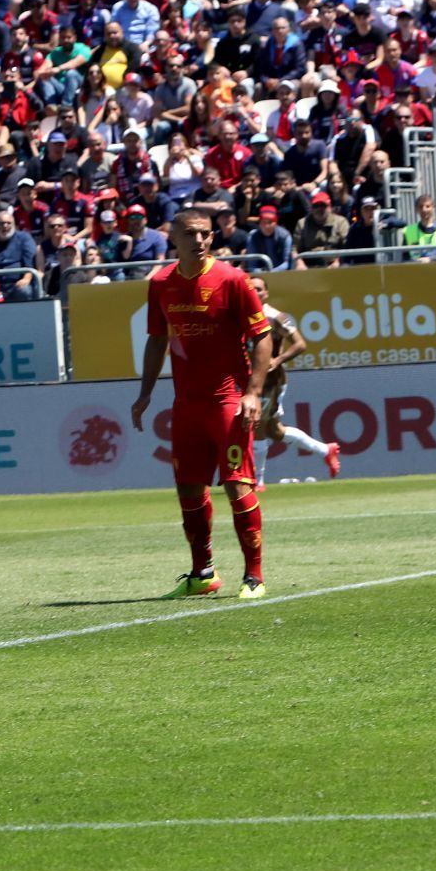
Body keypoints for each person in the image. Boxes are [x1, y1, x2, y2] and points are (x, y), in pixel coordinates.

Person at [130, 209, 274, 601]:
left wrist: (253, 392)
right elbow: (157, 339)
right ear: (173, 238)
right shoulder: (161, 283)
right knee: (189, 490)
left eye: (205, 234)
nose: (199, 240)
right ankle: (203, 573)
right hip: (186, 405)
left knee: (237, 485)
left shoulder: (232, 280)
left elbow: (262, 336)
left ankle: (254, 576)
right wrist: (145, 393)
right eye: (191, 234)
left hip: (228, 401)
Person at [248, 276, 342, 481]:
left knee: (257, 425)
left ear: (266, 293)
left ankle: (258, 480)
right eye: (251, 288)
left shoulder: (277, 317)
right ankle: (326, 450)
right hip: (251, 379)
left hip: (271, 381)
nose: (254, 292)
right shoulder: (242, 315)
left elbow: (300, 344)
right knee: (274, 430)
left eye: (259, 289)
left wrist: (277, 360)